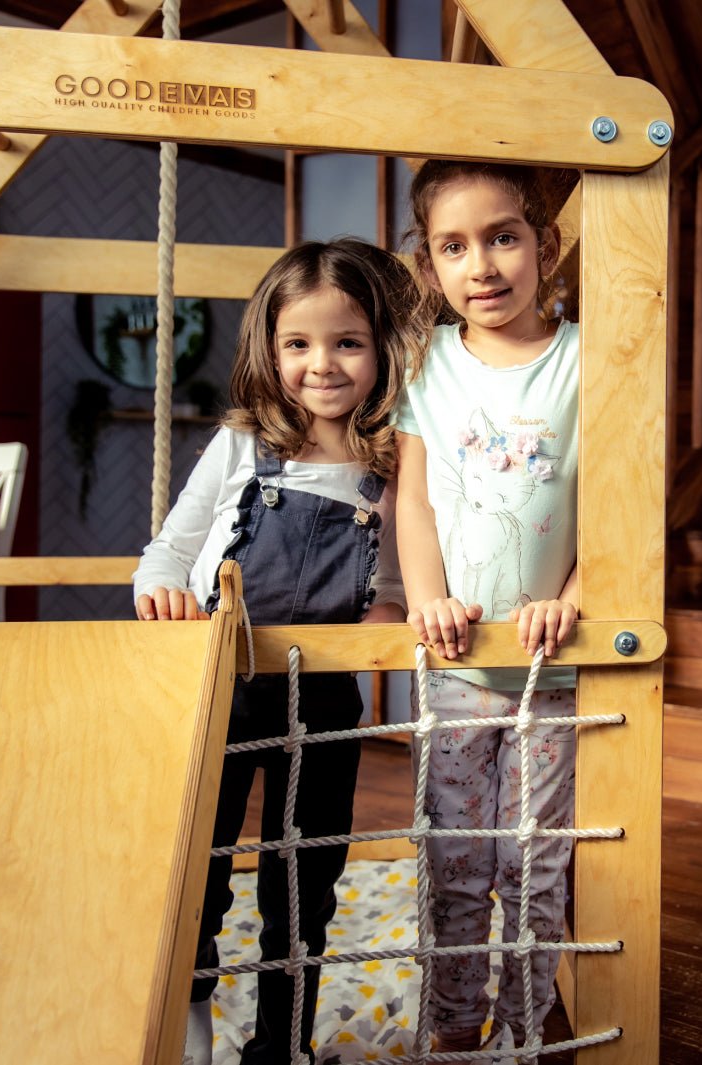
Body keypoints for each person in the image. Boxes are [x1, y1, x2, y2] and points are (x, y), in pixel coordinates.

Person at [133, 238, 417, 1065]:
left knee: (302, 884)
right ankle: (187, 1039)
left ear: (382, 348)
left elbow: (394, 582)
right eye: (299, 344)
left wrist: (388, 615)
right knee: (201, 874)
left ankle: (280, 1046)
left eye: (347, 342)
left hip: (323, 700)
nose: (321, 364)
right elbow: (167, 550)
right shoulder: (240, 443)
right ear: (270, 348)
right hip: (222, 694)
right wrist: (162, 589)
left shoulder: (392, 462)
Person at [394, 160, 580, 1059]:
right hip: (459, 664)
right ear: (429, 268)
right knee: (457, 861)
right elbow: (416, 501)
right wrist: (425, 597)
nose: (484, 265)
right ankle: (452, 1031)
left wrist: (575, 599)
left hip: (557, 666)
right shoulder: (427, 365)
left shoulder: (588, 358)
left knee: (535, 864)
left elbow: (626, 499)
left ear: (543, 244)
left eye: (503, 237)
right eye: (455, 246)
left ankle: (524, 1030)